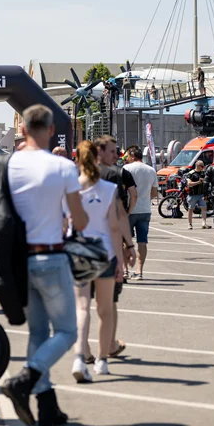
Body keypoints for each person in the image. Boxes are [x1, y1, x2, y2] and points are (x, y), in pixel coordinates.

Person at [1, 104, 88, 426]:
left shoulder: (8, 165)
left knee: (38, 332)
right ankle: (26, 379)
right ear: (51, 130)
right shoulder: (62, 167)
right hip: (51, 256)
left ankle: (46, 406)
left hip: (20, 259)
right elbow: (79, 219)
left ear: (23, 130)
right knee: (66, 331)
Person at [70, 140, 124, 381]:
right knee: (105, 309)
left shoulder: (71, 188)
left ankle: (80, 357)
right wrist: (120, 260)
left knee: (82, 307)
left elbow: (65, 224)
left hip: (79, 251)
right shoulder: (108, 189)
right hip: (105, 252)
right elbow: (114, 227)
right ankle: (102, 360)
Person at [95, 135, 137, 355]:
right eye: (112, 151)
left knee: (82, 306)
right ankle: (109, 346)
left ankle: (83, 353)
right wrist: (128, 247)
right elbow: (119, 216)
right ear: (99, 151)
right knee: (109, 303)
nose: (117, 155)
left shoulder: (77, 174)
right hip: (106, 247)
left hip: (81, 248)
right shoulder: (114, 174)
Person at [123, 147, 157, 279]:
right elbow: (154, 193)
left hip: (129, 210)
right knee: (142, 241)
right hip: (145, 209)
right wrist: (144, 199)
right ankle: (140, 271)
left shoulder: (127, 169)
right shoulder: (151, 170)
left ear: (131, 156)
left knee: (126, 241)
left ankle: (125, 270)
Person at [186, 160, 210, 229]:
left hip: (201, 194)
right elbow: (189, 184)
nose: (203, 167)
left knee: (204, 208)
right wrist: (198, 182)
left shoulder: (203, 173)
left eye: (203, 166)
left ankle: (204, 223)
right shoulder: (191, 173)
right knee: (191, 209)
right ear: (197, 165)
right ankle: (189, 224)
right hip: (193, 194)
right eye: (201, 166)